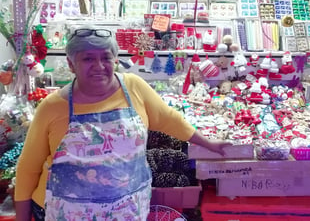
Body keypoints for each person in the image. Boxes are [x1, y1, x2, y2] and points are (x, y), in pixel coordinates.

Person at [14, 27, 231, 220]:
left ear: (115, 60)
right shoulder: (52, 107)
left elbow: (169, 118)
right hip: (66, 211)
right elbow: (27, 169)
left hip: (126, 210)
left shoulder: (134, 87)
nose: (99, 66)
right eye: (88, 59)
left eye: (106, 58)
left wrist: (208, 143)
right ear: (71, 64)